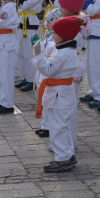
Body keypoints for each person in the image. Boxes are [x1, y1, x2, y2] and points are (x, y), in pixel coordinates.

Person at [36, 16, 83, 173]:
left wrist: (38, 56)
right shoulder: (64, 50)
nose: (53, 35)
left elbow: (48, 69)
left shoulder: (65, 53)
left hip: (59, 93)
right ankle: (67, 154)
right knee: (62, 125)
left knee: (58, 126)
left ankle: (62, 157)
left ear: (65, 35)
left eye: (56, 33)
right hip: (60, 91)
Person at [14, 0, 46, 92]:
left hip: (30, 23)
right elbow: (19, 5)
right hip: (22, 22)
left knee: (28, 53)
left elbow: (27, 5)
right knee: (21, 53)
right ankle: (24, 77)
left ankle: (31, 80)